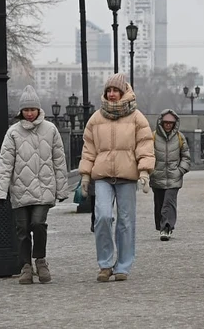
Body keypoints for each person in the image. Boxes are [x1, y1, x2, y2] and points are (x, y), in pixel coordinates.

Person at [79, 73, 155, 282]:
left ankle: (122, 265)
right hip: (102, 176)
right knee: (102, 217)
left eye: (115, 90)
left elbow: (145, 145)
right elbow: (88, 149)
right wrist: (85, 176)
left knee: (126, 222)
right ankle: (105, 264)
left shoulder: (137, 117)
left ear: (123, 92)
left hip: (127, 176)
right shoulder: (96, 118)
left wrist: (144, 171)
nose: (112, 94)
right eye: (109, 91)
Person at [0, 85, 69, 285]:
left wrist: (62, 189)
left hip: (44, 187)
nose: (29, 113)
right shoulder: (13, 133)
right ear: (21, 111)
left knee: (38, 223)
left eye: (32, 109)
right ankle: (26, 266)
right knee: (22, 229)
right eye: (26, 110)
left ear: (38, 109)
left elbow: (59, 160)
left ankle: (40, 260)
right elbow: (5, 163)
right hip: (20, 188)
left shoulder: (50, 130)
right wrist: (0, 192)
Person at [150, 109, 191, 241]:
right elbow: (148, 155)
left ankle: (166, 227)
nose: (168, 125)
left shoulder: (180, 137)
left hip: (174, 177)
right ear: (161, 123)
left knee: (169, 202)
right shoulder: (153, 137)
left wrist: (180, 171)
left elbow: (186, 157)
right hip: (157, 177)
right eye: (166, 122)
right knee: (159, 203)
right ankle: (161, 225)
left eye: (171, 123)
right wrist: (151, 171)